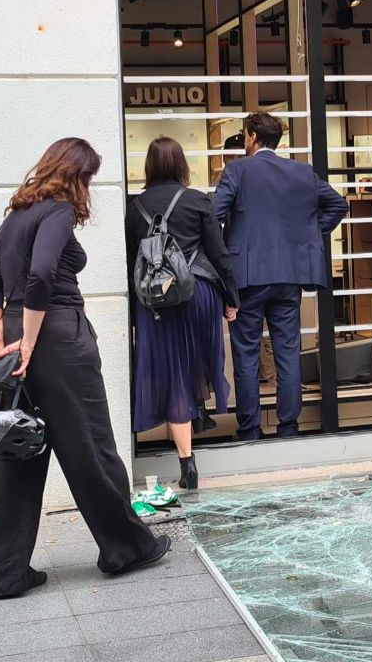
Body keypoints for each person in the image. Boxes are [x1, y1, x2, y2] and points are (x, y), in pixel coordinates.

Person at [0, 138, 169, 600]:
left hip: (16, 340)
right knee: (91, 446)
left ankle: (5, 575)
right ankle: (125, 548)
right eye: (90, 178)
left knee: (15, 450)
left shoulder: (16, 215)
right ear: (76, 175)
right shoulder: (58, 211)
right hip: (59, 339)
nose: (89, 189)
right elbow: (42, 276)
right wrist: (32, 339)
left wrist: (1, 337)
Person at [214, 112, 349, 440]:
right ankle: (288, 428)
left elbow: (213, 216)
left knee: (246, 353)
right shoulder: (301, 172)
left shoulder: (237, 170)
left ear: (251, 137)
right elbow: (338, 205)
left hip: (246, 277)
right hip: (289, 275)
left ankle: (249, 430)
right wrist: (306, 236)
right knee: (287, 350)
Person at [126, 137, 240, 489]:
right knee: (194, 364)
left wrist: (133, 314)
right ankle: (198, 414)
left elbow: (131, 264)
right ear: (181, 166)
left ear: (148, 166)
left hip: (155, 304)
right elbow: (219, 255)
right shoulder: (197, 201)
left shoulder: (134, 207)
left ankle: (187, 460)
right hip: (198, 294)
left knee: (172, 373)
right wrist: (231, 298)